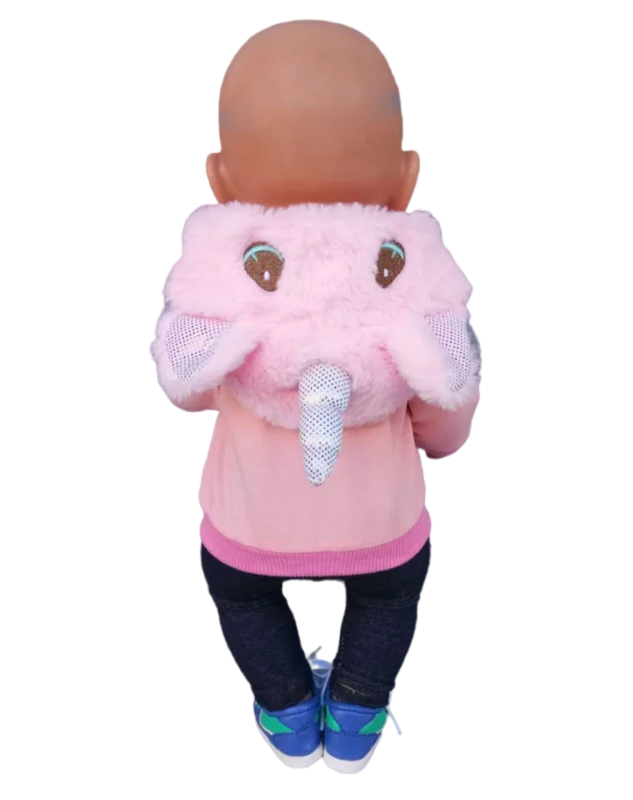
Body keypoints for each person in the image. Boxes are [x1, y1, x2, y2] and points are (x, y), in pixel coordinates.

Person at [159, 18, 480, 773]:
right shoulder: (418, 273)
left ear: (217, 179)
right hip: (381, 523)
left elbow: (189, 394)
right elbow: (447, 410)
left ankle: (290, 717)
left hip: (248, 525)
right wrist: (434, 441)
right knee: (388, 598)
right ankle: (358, 719)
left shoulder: (217, 274)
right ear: (407, 176)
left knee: (241, 596)